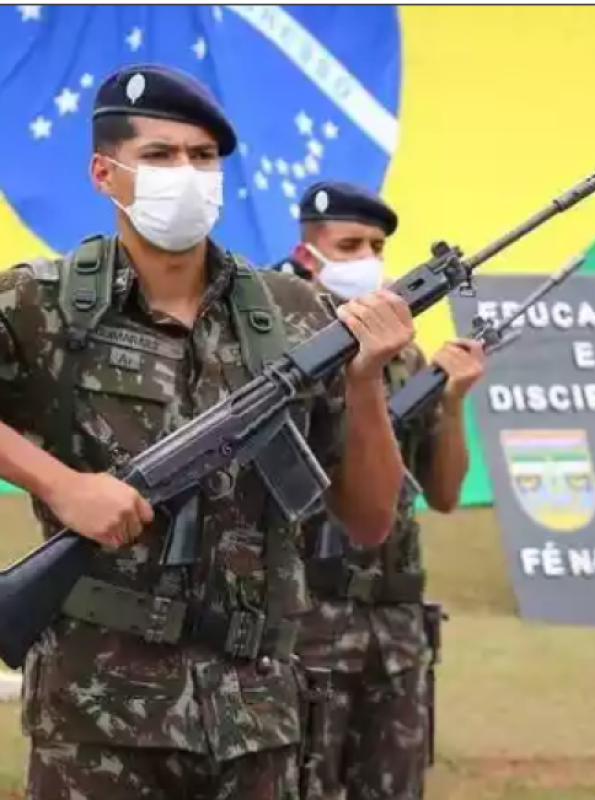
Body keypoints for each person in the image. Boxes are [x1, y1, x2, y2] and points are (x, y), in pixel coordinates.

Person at [0, 64, 415, 799]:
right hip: (99, 716)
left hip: (255, 716)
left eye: (203, 157)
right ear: (106, 174)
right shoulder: (45, 304)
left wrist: (364, 380)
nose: (186, 175)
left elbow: (370, 517)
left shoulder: (296, 314)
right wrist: (61, 486)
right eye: (160, 157)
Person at [277, 181, 485, 800]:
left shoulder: (404, 360)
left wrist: (451, 401)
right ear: (308, 255)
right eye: (350, 244)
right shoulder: (282, 350)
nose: (367, 257)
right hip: (310, 615)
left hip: (395, 620)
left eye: (376, 245)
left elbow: (444, 493)